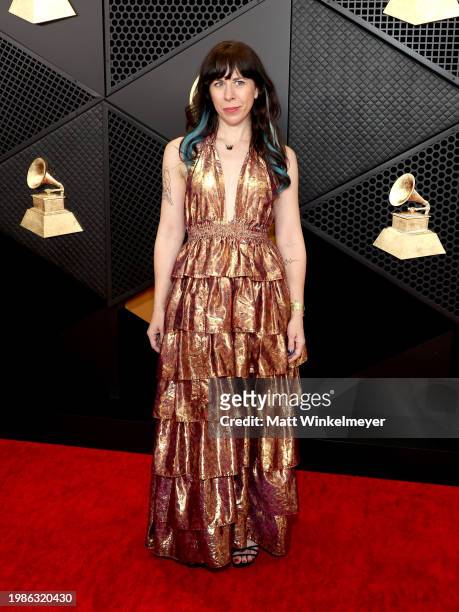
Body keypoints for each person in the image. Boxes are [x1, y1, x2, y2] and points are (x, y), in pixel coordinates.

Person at [145, 40, 308, 569]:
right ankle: (203, 533)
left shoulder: (281, 159)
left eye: (241, 81)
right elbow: (169, 233)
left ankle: (245, 528)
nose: (230, 93)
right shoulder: (181, 152)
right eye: (219, 81)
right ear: (206, 90)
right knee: (200, 413)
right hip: (197, 300)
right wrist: (159, 306)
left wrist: (297, 313)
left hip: (261, 300)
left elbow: (289, 241)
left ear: (258, 88)